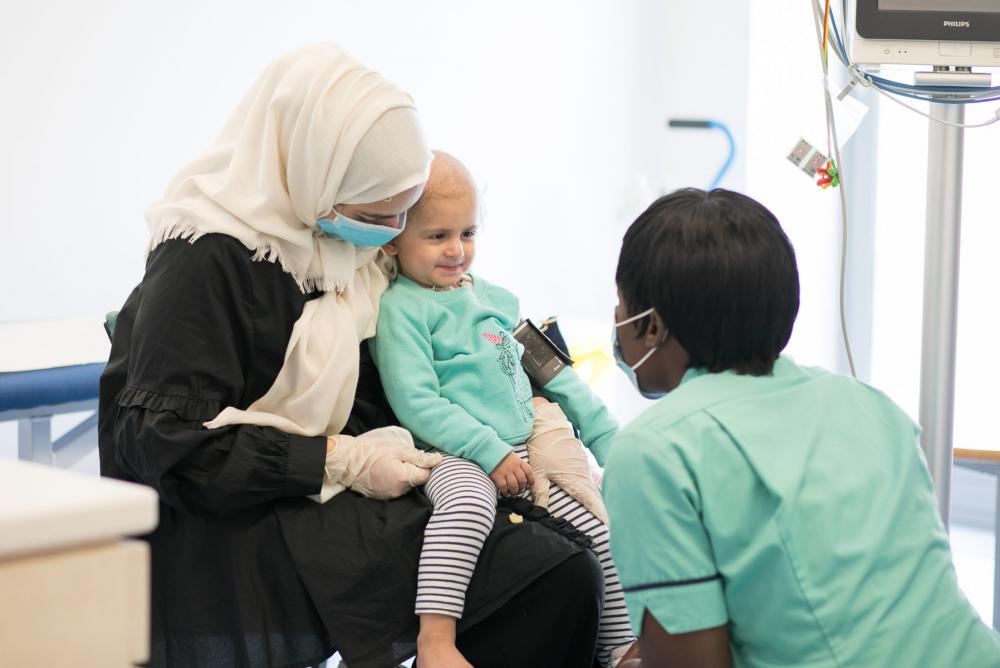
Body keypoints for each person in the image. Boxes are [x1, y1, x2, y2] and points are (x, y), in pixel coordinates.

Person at [99, 44, 605, 668]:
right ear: (316, 174)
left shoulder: (338, 240)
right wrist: (340, 459)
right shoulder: (205, 261)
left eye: (401, 216)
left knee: (565, 555)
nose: (390, 237)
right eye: (376, 217)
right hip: (241, 506)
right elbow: (161, 443)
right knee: (537, 574)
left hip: (349, 479)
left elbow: (430, 355)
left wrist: (525, 415)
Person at [602, 188, 1000, 667]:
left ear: (652, 327)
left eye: (622, 304)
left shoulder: (655, 450)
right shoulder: (868, 404)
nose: (618, 320)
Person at [371, 151, 637, 668]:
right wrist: (488, 452)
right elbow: (417, 401)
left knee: (597, 526)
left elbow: (555, 377)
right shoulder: (400, 309)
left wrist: (609, 441)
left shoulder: (500, 301)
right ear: (395, 238)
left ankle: (622, 650)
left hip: (523, 447)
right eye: (437, 236)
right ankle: (435, 644)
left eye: (468, 233)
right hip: (453, 453)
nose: (456, 250)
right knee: (466, 508)